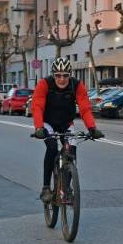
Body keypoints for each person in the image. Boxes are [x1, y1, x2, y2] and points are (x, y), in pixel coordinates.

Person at [31, 57, 104, 203]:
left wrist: (92, 128)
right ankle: (46, 188)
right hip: (48, 123)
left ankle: (67, 187)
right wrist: (39, 127)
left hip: (66, 123)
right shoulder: (44, 84)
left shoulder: (77, 85)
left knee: (71, 149)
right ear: (53, 75)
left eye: (65, 75)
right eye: (58, 75)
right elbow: (37, 106)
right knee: (52, 148)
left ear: (70, 75)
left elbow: (84, 108)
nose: (62, 79)